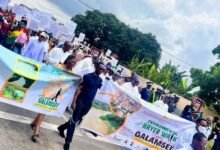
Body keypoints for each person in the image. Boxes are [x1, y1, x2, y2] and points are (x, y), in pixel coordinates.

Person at [57, 62, 105, 150]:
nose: (102, 70)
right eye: (101, 68)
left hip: (88, 104)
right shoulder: (87, 77)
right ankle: (68, 142)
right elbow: (79, 89)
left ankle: (62, 128)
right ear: (96, 67)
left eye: (103, 69)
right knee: (73, 121)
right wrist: (74, 101)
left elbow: (98, 92)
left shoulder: (100, 80)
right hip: (80, 101)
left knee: (75, 120)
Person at [30, 55, 77, 143]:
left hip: (57, 95)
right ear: (68, 59)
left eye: (75, 63)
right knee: (43, 110)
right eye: (72, 61)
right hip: (49, 90)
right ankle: (36, 132)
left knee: (44, 110)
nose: (73, 63)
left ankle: (34, 123)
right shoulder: (58, 66)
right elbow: (49, 74)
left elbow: (70, 85)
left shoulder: (72, 73)